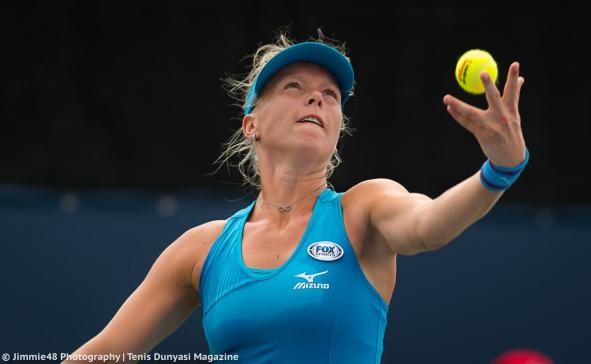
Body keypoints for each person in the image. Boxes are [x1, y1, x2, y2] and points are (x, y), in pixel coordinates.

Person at [65, 29, 529, 363]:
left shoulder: (364, 208)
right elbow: (102, 355)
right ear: (252, 125)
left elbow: (428, 227)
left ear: (337, 130)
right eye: (295, 88)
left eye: (330, 94)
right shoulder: (200, 250)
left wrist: (499, 170)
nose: (318, 99)